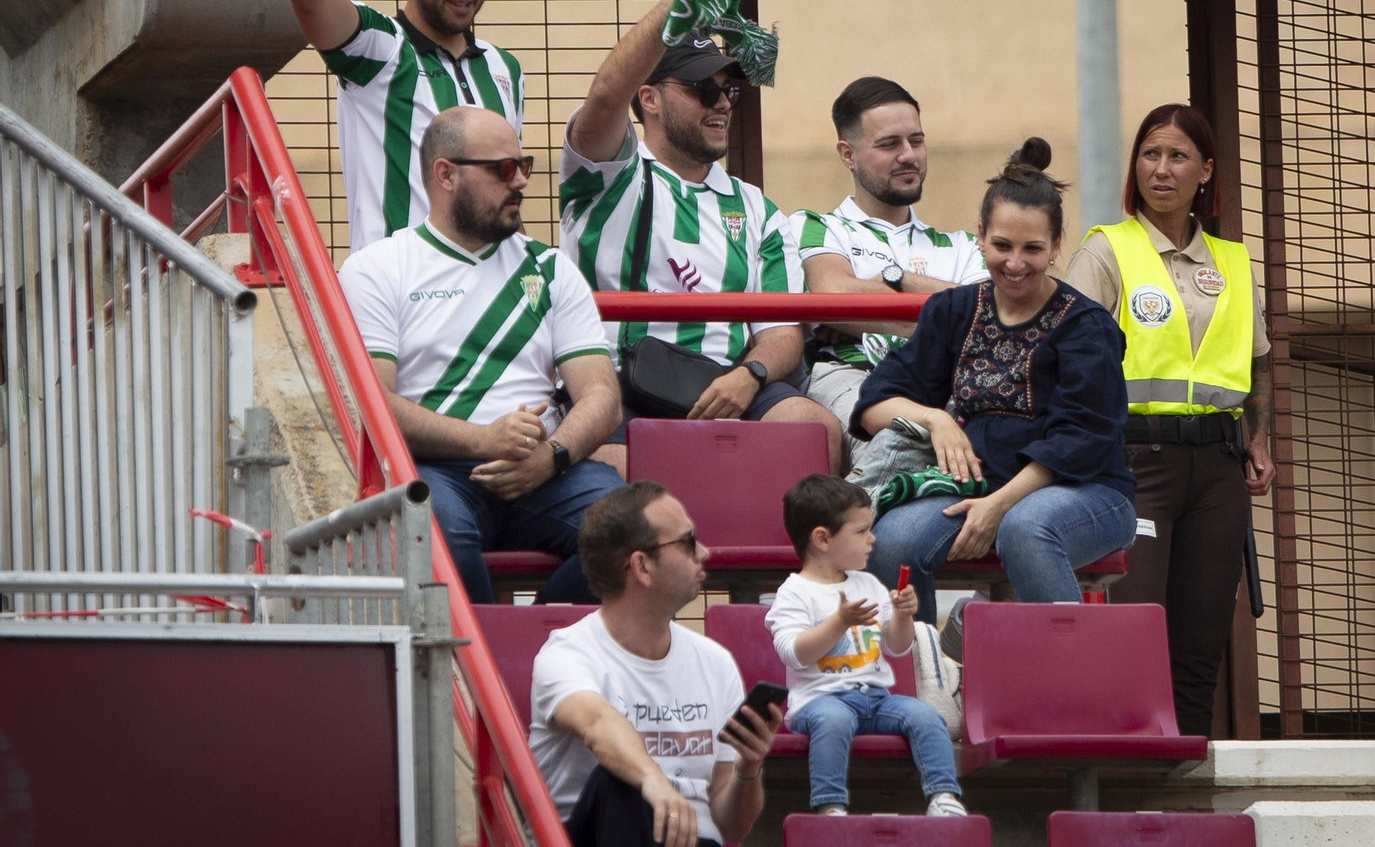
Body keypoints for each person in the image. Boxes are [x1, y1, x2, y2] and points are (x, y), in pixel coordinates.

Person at [560, 0, 843, 474]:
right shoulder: (611, 174)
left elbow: (781, 330)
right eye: (701, 89)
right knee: (611, 467)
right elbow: (603, 97)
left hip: (726, 384)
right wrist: (678, 6)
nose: (722, 104)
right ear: (648, 98)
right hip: (616, 382)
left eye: (729, 88)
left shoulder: (756, 206)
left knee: (814, 429)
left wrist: (750, 375)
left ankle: (802, 560)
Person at [339, 106, 622, 605]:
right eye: (502, 169)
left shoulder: (550, 267)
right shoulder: (376, 269)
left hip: (546, 468)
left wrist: (553, 457)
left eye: (525, 165)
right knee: (435, 527)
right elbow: (372, 402)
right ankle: (483, 671)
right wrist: (482, 440)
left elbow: (601, 395)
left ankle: (542, 646)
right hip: (436, 470)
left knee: (633, 527)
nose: (521, 183)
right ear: (445, 174)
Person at [851, 138, 1139, 623]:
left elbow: (1080, 441)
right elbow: (873, 403)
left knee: (1025, 528)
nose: (1015, 263)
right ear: (980, 235)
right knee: (893, 541)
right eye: (1001, 245)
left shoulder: (1086, 327)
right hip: (977, 483)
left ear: (1057, 246)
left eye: (1033, 248)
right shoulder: (953, 310)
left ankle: (1068, 682)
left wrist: (997, 506)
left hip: (1089, 491)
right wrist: (935, 418)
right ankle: (928, 679)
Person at [1063, 103, 1276, 738]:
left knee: (1200, 641)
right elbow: (1064, 357)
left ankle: (1183, 776)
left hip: (1217, 469)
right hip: (1134, 464)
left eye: (1178, 156)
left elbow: (1258, 363)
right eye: (1150, 154)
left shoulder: (1233, 263)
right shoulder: (1107, 251)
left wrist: (1259, 437)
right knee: (1136, 629)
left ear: (1206, 171)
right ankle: (1129, 771)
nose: (1162, 169)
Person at [529, 481, 781, 847]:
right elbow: (597, 722)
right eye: (688, 541)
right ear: (642, 566)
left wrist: (748, 768)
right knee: (618, 783)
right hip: (594, 835)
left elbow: (731, 828)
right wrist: (652, 779)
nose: (705, 552)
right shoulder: (566, 654)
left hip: (694, 841)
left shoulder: (715, 661)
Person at [290, 0, 522, 251]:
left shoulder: (504, 69)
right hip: (399, 299)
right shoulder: (379, 49)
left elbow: (503, 192)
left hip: (487, 297)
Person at [789, 78, 988, 457]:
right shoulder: (815, 224)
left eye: (917, 140)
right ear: (848, 155)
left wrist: (895, 282)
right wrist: (947, 315)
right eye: (889, 144)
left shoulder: (963, 245)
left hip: (948, 386)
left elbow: (989, 316)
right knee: (900, 448)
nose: (909, 154)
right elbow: (834, 295)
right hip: (854, 378)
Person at [766, 474, 966, 817]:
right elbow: (795, 654)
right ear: (822, 539)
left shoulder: (867, 583)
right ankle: (830, 807)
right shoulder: (794, 592)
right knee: (833, 721)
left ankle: (943, 796)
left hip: (877, 698)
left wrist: (903, 617)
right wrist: (840, 621)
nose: (872, 539)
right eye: (861, 532)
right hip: (819, 701)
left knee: (925, 715)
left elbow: (897, 647)